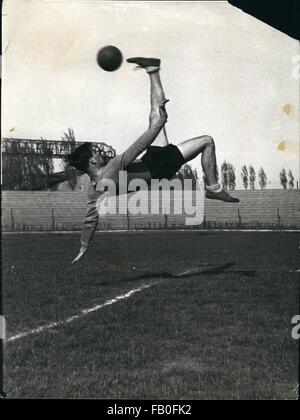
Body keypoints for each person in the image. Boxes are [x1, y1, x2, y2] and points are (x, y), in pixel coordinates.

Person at [66, 57, 239, 264]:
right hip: (159, 167)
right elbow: (139, 145)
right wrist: (159, 125)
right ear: (92, 162)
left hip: (150, 163)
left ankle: (153, 70)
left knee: (154, 114)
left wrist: (84, 245)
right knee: (207, 141)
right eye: (95, 152)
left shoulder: (94, 189)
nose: (99, 152)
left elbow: (90, 219)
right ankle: (212, 187)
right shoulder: (112, 168)